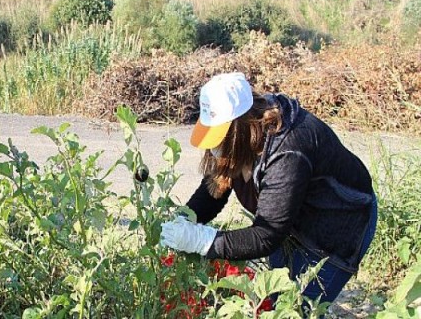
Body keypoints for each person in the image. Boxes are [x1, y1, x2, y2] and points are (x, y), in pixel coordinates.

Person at [160, 72, 378, 309]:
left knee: (297, 310)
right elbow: (214, 189)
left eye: (220, 137)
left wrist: (200, 240)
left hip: (336, 230)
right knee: (274, 301)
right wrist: (182, 220)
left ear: (240, 128)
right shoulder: (241, 142)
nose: (214, 147)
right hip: (290, 224)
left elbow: (267, 234)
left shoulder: (288, 151)